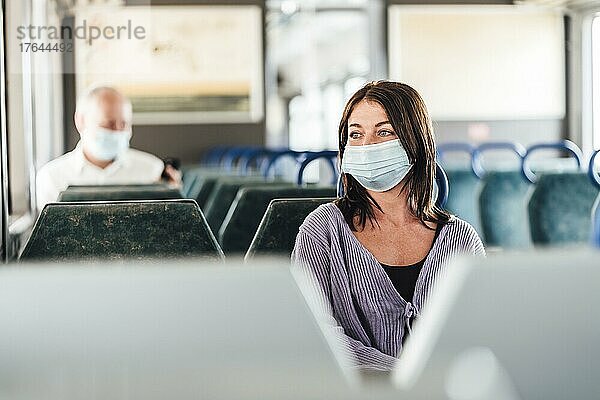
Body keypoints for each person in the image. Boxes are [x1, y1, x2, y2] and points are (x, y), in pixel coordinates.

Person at [291, 81, 485, 372]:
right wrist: (404, 378)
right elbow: (313, 335)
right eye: (355, 134)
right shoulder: (322, 230)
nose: (366, 146)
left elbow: (481, 332)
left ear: (414, 141)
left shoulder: (461, 239)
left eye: (384, 132)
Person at [36, 86, 181, 209]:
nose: (118, 132)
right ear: (81, 121)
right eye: (109, 124)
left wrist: (175, 197)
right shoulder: (52, 177)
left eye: (123, 124)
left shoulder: (153, 170)